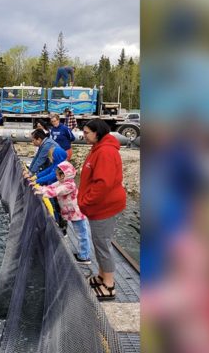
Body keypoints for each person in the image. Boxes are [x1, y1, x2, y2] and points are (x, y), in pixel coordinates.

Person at [78, 119, 126, 301]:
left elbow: (103, 184)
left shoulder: (105, 152)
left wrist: (85, 201)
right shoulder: (99, 148)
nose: (84, 135)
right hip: (100, 205)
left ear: (97, 133)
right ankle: (101, 276)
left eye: (87, 132)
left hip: (104, 206)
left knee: (102, 244)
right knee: (100, 243)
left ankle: (109, 285)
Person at [35, 161, 91, 264]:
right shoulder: (61, 182)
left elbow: (57, 191)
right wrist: (38, 188)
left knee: (81, 234)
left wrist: (43, 194)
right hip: (68, 211)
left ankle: (84, 256)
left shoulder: (70, 185)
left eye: (57, 175)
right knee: (74, 230)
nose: (56, 177)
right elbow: (51, 187)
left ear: (64, 175)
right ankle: (82, 253)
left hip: (77, 212)